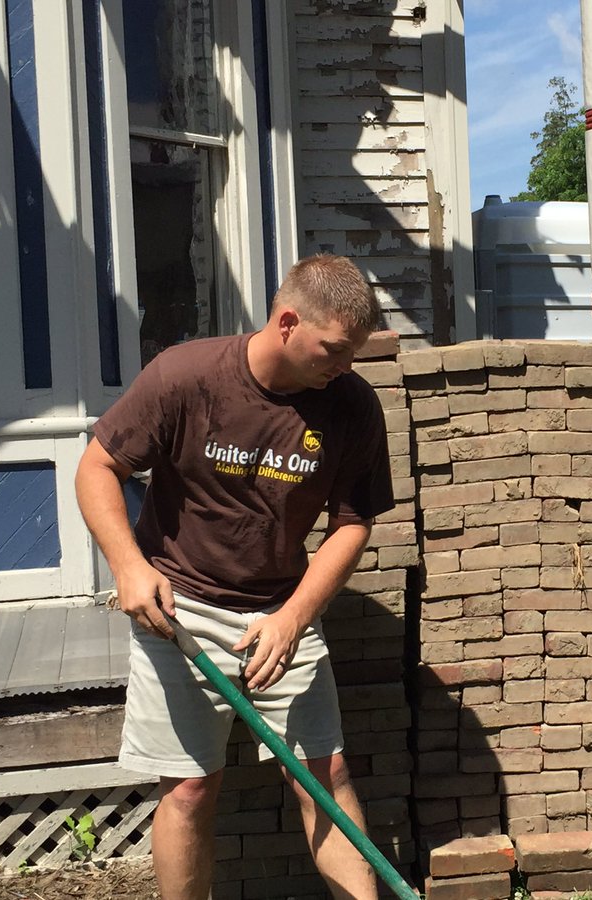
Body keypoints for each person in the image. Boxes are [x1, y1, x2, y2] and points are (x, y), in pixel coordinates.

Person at [76, 254, 394, 900]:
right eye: (334, 350)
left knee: (323, 776)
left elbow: (352, 523)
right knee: (190, 789)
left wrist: (292, 619)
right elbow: (97, 468)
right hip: (179, 610)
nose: (345, 366)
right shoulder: (185, 377)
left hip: (281, 612)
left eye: (353, 353)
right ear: (286, 322)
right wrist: (130, 568)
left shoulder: (352, 405)